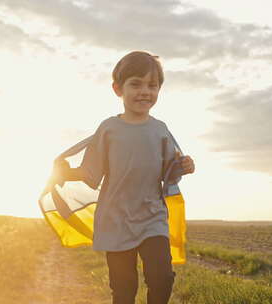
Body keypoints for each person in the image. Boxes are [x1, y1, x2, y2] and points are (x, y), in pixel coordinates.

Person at [56, 50, 195, 304]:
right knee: (124, 288)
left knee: (162, 278)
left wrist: (184, 166)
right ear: (117, 89)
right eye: (136, 84)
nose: (145, 91)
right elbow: (91, 173)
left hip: (153, 217)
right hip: (116, 219)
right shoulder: (109, 129)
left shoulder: (160, 129)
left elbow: (169, 174)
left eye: (152, 85)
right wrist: (65, 173)